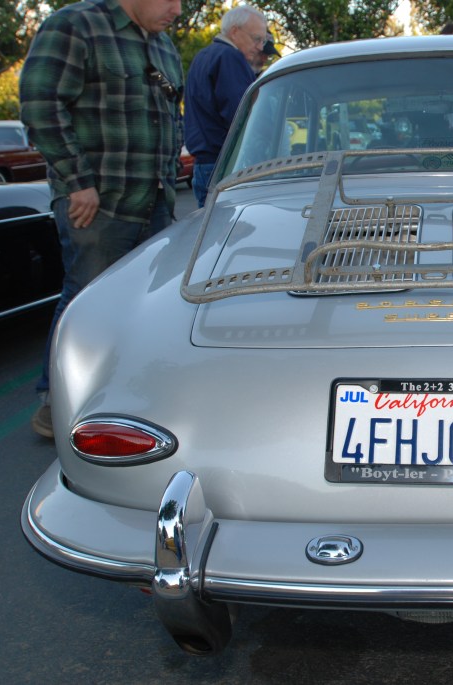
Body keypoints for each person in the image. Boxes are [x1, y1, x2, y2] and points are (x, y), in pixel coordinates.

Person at [19, 0, 184, 439]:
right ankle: (56, 405)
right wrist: (78, 183)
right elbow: (40, 106)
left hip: (154, 201)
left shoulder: (163, 45)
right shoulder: (76, 25)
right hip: (98, 204)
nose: (178, 9)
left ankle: (129, 397)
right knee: (87, 303)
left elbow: (171, 120)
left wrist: (168, 185)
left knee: (147, 308)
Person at [184, 5, 268, 207]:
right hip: (226, 164)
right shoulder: (230, 58)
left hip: (204, 164)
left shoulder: (203, 56)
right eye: (256, 39)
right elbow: (242, 117)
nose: (260, 47)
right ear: (235, 31)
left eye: (262, 41)